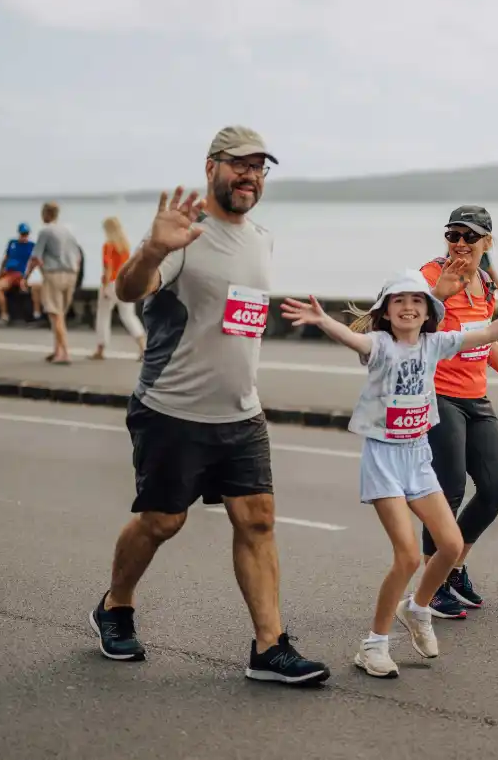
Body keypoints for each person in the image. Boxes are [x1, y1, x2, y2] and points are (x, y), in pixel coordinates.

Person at [90, 126, 330, 686]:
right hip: (172, 409)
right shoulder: (184, 237)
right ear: (211, 167)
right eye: (238, 164)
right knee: (162, 520)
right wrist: (151, 248)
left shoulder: (263, 239)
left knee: (258, 520)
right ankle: (115, 605)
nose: (250, 175)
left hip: (241, 414)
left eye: (259, 168)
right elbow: (129, 290)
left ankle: (269, 647)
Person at [280, 265, 498, 678]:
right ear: (386, 311)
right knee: (406, 555)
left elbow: (489, 335)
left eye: (416, 301)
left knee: (451, 545)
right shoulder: (379, 345)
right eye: (399, 301)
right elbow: (352, 337)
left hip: (417, 456)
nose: (408, 307)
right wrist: (322, 320)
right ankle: (374, 645)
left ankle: (418, 607)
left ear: (428, 312)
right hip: (384, 458)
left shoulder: (436, 344)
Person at [418, 205, 498, 617]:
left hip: (475, 397)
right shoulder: (430, 276)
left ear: (488, 241)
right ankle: (431, 585)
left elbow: (485, 338)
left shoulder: (484, 283)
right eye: (453, 235)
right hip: (438, 395)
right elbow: (408, 327)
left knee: (497, 486)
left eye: (470, 237)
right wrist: (438, 296)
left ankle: (453, 566)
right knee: (447, 492)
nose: (461, 244)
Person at [26, 202, 81, 366]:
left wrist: (26, 276)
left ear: (45, 214)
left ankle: (64, 353)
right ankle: (57, 349)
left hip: (54, 275)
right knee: (60, 314)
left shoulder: (45, 231)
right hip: (71, 274)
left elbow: (36, 257)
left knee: (55, 314)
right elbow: (78, 256)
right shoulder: (68, 231)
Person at [90, 216, 146, 361]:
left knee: (103, 316)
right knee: (128, 316)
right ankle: (143, 347)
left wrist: (104, 287)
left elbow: (108, 268)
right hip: (125, 283)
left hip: (111, 284)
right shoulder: (125, 246)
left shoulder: (108, 246)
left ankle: (100, 350)